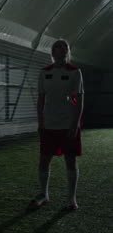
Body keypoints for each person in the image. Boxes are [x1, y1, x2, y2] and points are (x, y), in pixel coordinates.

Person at [31, 39, 84, 211]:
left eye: (63, 47)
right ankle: (44, 194)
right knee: (44, 160)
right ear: (52, 52)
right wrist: (40, 123)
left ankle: (71, 198)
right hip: (49, 124)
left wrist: (74, 124)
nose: (60, 49)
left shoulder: (75, 72)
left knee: (70, 160)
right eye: (56, 47)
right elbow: (40, 99)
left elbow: (79, 100)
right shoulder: (44, 72)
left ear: (67, 52)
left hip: (67, 124)